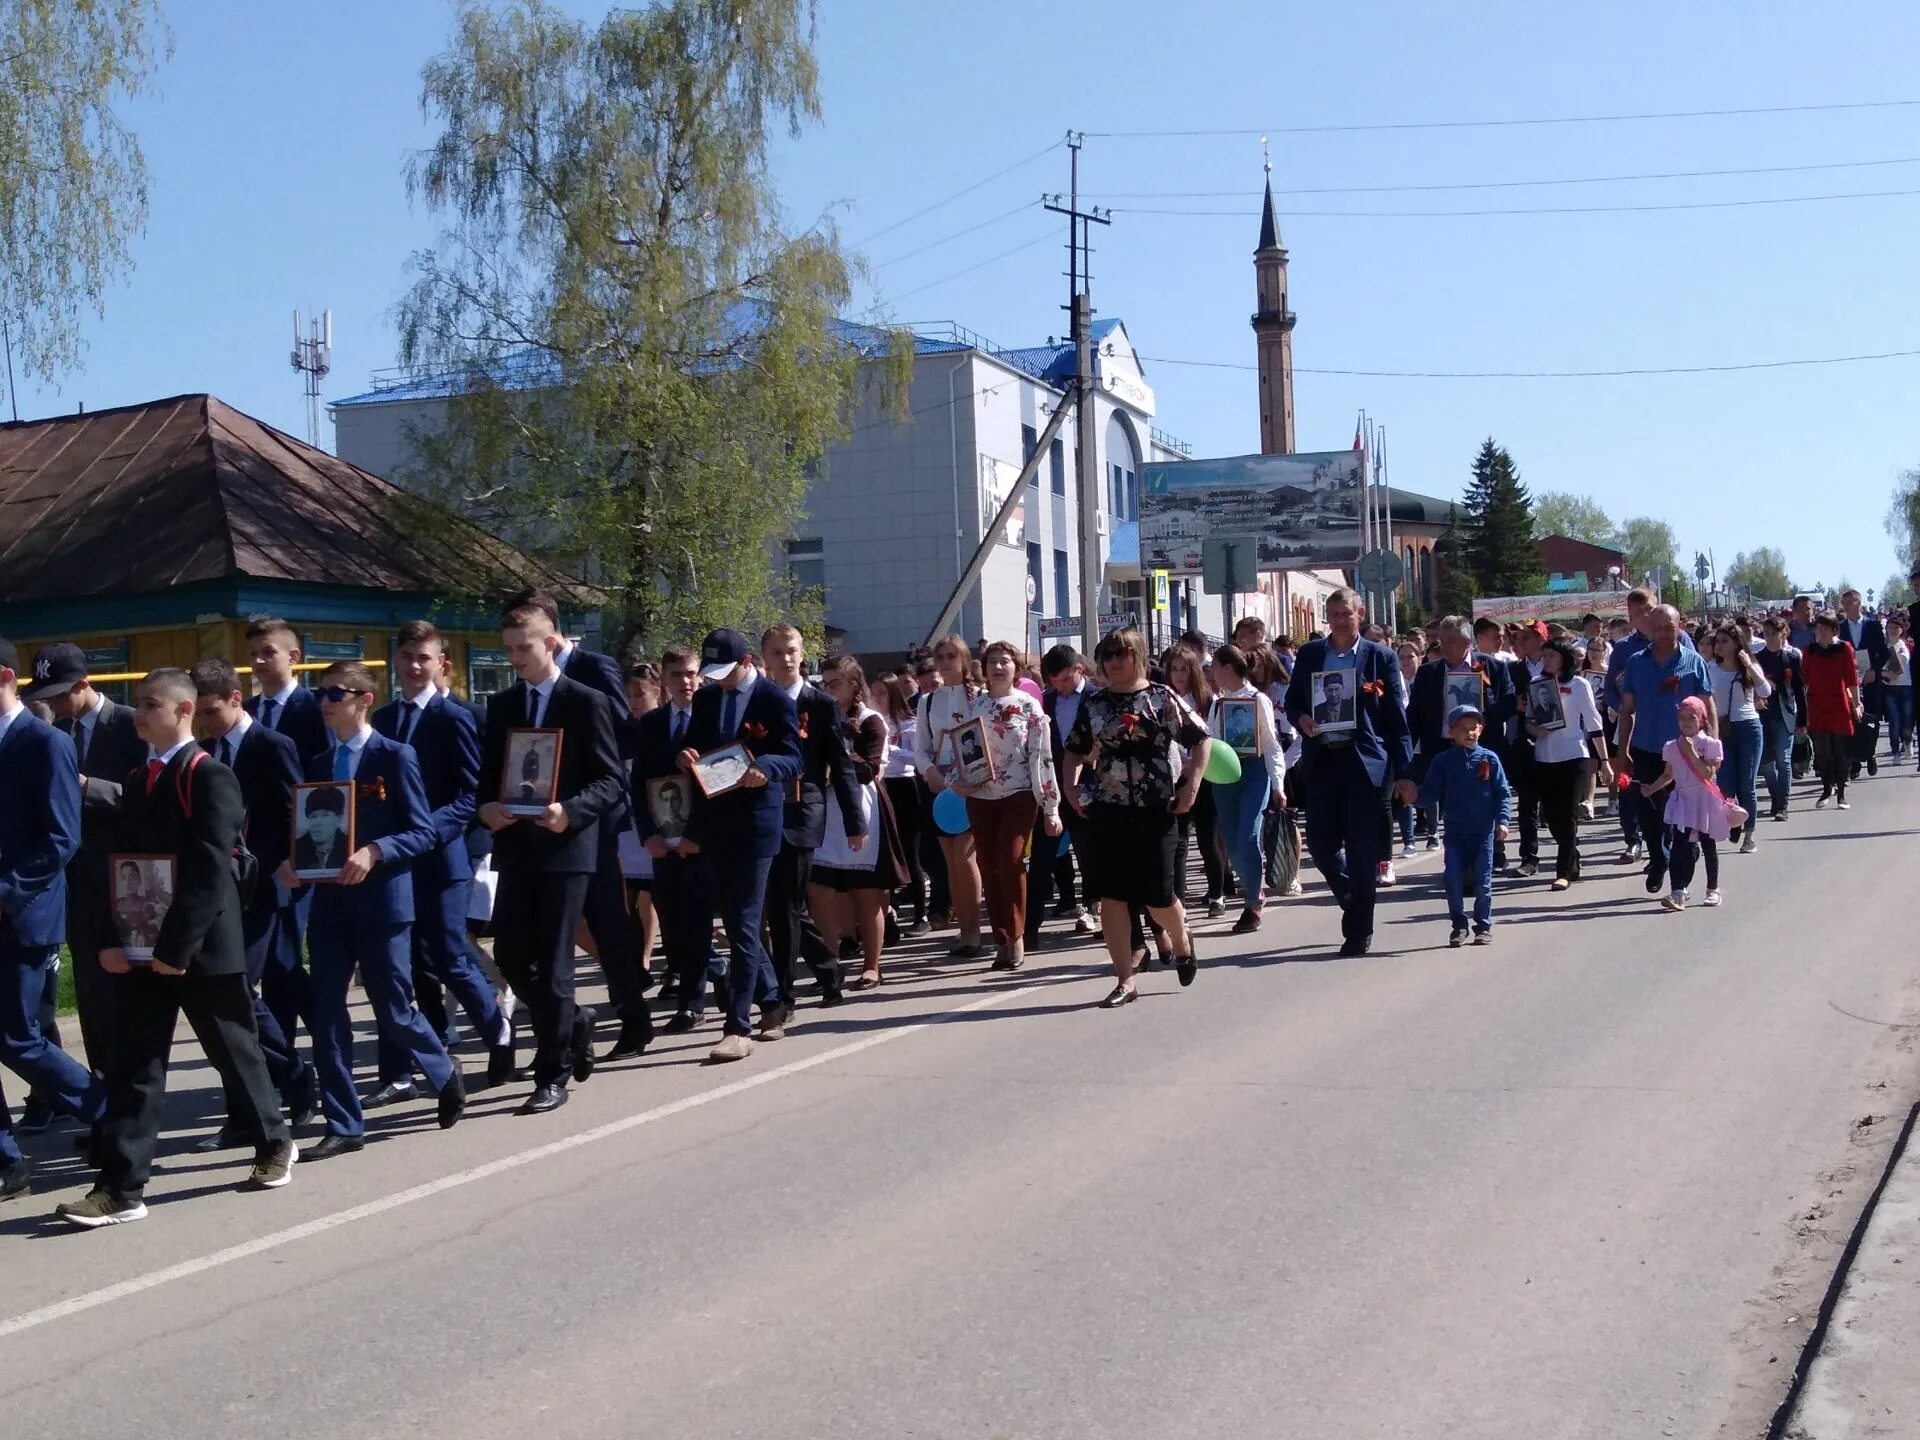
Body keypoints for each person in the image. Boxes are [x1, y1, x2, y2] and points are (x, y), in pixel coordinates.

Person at [58, 668, 296, 1228]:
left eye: (150, 705)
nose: (139, 714)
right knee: (135, 1064)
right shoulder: (140, 779)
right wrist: (114, 939)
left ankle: (273, 1142)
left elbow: (210, 871)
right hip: (145, 948)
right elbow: (124, 869)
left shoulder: (210, 776)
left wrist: (176, 947)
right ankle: (120, 1188)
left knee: (234, 1050)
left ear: (184, 711)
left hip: (202, 947)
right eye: (138, 705)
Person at [285, 662, 466, 1160]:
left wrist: (376, 850)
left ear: (364, 700)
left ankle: (443, 1068)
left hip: (383, 902)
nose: (325, 702)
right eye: (320, 693)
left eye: (335, 694)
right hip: (329, 906)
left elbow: (424, 830)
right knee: (325, 1013)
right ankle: (344, 1122)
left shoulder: (395, 755)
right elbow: (310, 830)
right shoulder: (320, 761)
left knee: (394, 1007)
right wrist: (295, 862)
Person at [479, 597, 628, 1111]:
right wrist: (488, 807)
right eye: (508, 650)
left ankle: (552, 1074)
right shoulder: (502, 707)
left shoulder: (585, 701)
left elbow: (613, 779)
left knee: (557, 961)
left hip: (567, 848)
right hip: (517, 848)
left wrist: (571, 810)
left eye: (523, 648)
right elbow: (485, 779)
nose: (514, 658)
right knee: (511, 956)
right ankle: (572, 1023)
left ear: (550, 643)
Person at [371, 622, 515, 1098]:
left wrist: (426, 830)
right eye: (406, 656)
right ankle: (410, 1067)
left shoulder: (453, 717)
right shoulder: (385, 719)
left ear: (442, 665)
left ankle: (498, 1032)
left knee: (451, 956)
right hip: (397, 863)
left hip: (442, 857)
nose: (414, 666)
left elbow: (473, 790)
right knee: (406, 965)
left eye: (423, 658)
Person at [188, 659, 318, 1148]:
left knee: (237, 991)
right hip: (218, 893)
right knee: (221, 998)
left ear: (236, 699)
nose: (205, 721)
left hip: (265, 887)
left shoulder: (272, 746)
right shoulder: (203, 752)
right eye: (199, 714)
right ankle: (244, 1109)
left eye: (213, 711)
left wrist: (287, 870)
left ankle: (296, 1082)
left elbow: (295, 815)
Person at [0, 638, 101, 1204]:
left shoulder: (44, 744)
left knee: (19, 1038)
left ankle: (107, 1109)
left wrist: (5, 892)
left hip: (24, 915)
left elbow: (63, 837)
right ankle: (6, 1161)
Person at [1061, 627, 1207, 1005]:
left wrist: (1191, 785)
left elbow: (1201, 738)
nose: (1113, 662)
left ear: (1137, 655)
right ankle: (1125, 979)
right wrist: (1071, 788)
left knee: (1159, 896)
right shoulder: (1094, 704)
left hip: (1157, 809)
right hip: (1108, 808)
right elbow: (1075, 751)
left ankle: (1180, 940)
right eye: (1107, 655)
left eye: (1121, 654)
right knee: (1112, 896)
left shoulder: (1161, 698)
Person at [675, 627, 802, 1064]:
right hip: (717, 822)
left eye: (725, 670)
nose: (718, 680)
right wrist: (687, 755)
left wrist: (766, 766)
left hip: (758, 824)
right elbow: (696, 744)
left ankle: (737, 1026)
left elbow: (793, 756)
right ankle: (771, 1002)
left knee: (745, 922)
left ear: (747, 662)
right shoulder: (709, 699)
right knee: (734, 921)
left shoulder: (773, 699)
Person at [27, 642, 144, 1087]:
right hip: (78, 882)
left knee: (129, 998)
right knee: (94, 999)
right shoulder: (58, 733)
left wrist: (86, 786)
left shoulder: (130, 725)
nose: (53, 703)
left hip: (124, 878)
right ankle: (104, 1100)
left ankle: (134, 1102)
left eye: (60, 693)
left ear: (83, 684)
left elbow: (146, 798)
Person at [1285, 589, 1415, 958]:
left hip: (1366, 765)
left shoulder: (1380, 657)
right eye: (1334, 614)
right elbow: (1294, 701)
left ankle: (1359, 930)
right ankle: (1353, 899)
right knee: (1321, 846)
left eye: (1346, 613)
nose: (1340, 620)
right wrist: (1302, 719)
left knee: (1362, 851)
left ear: (1360, 614)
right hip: (1324, 760)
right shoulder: (1311, 654)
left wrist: (1404, 771)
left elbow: (1395, 720)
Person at [759, 624, 864, 1032]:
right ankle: (827, 968)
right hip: (764, 810)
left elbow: (839, 764)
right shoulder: (758, 702)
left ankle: (783, 998)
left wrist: (855, 821)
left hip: (803, 812)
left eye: (791, 650)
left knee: (784, 905)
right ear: (764, 658)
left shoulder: (819, 704)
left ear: (803, 654)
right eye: (776, 652)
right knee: (784, 905)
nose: (785, 658)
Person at [954, 641, 1060, 971]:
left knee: (1010, 858)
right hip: (981, 796)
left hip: (1018, 794)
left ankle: (1017, 936)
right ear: (983, 669)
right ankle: (1001, 936)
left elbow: (1042, 758)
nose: (999, 667)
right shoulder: (975, 706)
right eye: (993, 662)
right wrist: (959, 781)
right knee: (987, 862)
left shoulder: (1029, 706)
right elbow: (963, 749)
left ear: (1016, 668)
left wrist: (1050, 806)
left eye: (1005, 662)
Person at [632, 645, 720, 1034]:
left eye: (691, 674)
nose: (685, 682)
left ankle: (692, 1003)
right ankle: (718, 969)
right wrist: (647, 834)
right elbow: (637, 785)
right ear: (664, 681)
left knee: (697, 919)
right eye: (677, 676)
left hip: (699, 840)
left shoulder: (712, 717)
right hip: (663, 838)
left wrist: (698, 836)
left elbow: (721, 779)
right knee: (671, 919)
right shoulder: (651, 724)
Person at [810, 656, 910, 988]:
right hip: (826, 812)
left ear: (854, 686)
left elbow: (868, 768)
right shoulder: (816, 717)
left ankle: (871, 964)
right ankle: (830, 962)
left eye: (834, 682)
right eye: (823, 683)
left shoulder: (871, 721)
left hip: (862, 808)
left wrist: (833, 756)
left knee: (865, 892)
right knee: (820, 891)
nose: (827, 689)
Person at [1616, 605, 1715, 897]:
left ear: (1679, 626)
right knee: (1649, 814)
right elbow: (1627, 710)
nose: (1662, 634)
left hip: (1685, 752)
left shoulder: (1693, 662)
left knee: (1681, 813)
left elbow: (1707, 706)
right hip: (1646, 748)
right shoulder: (1636, 663)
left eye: (1668, 628)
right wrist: (1622, 751)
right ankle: (1659, 858)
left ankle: (1680, 868)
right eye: (1657, 628)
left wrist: (1712, 747)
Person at [913, 636, 986, 958]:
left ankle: (974, 931)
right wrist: (930, 772)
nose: (944, 662)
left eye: (951, 656)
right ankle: (963, 930)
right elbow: (921, 747)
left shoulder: (981, 697)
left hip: (975, 783)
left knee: (966, 857)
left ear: (964, 659)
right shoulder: (928, 701)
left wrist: (970, 774)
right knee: (951, 863)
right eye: (940, 656)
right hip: (942, 786)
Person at [1415, 705, 1511, 946]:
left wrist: (1503, 820)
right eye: (1463, 729)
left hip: (1483, 832)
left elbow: (1502, 792)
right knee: (1452, 879)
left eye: (1474, 728)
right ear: (1452, 733)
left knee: (1483, 882)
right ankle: (1458, 924)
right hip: (1455, 833)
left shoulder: (1489, 758)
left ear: (1481, 729)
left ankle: (1483, 926)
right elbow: (1431, 791)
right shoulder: (1443, 761)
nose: (1470, 733)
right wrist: (1412, 796)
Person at [1206, 644, 1285, 933]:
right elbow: (1211, 740)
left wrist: (1278, 782)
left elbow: (1271, 743)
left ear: (1227, 669)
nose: (1212, 673)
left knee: (1248, 834)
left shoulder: (1257, 699)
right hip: (1224, 777)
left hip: (1254, 773)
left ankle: (1253, 902)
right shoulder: (1217, 704)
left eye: (1215, 667)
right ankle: (1252, 887)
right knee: (1230, 840)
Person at [1525, 640, 1610, 890]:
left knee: (1568, 814)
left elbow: (1594, 724)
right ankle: (1572, 856)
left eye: (1552, 655)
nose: (1547, 660)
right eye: (1545, 656)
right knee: (1552, 818)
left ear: (1564, 658)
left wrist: (1605, 761)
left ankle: (1562, 871)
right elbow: (1529, 719)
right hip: (1545, 757)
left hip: (1574, 757)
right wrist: (1533, 729)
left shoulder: (1579, 685)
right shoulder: (1535, 684)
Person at [1641, 697, 1730, 911]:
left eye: (1691, 718)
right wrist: (1651, 788)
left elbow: (1708, 773)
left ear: (1701, 720)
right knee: (1679, 844)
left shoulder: (1710, 744)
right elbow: (1668, 775)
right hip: (1683, 799)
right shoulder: (1671, 746)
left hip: (1705, 799)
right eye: (1682, 718)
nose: (1686, 722)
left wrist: (1691, 752)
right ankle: (1677, 891)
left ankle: (1712, 888)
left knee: (1708, 845)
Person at [1163, 643, 1226, 917]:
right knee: (1178, 842)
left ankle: (1217, 894)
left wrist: (1194, 765)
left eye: (1183, 669)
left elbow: (1212, 739)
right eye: (1174, 669)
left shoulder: (1208, 701)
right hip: (1174, 775)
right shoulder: (1163, 699)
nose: (1178, 675)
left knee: (1207, 839)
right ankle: (1179, 901)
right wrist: (1181, 763)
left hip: (1204, 776)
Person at [1706, 624, 1771, 854]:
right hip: (1722, 730)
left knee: (1747, 784)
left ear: (1736, 643)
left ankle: (1749, 834)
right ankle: (1734, 820)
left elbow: (1765, 692)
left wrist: (1749, 668)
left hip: (1748, 727)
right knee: (1726, 784)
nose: (1719, 646)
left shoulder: (1748, 666)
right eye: (1718, 642)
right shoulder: (1711, 668)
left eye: (1725, 641)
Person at [875, 675, 930, 937]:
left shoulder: (909, 723)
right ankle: (890, 913)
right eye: (873, 693)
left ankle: (921, 914)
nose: (876, 698)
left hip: (906, 787)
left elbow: (917, 758)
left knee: (910, 854)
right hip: (882, 787)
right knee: (886, 855)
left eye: (881, 693)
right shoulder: (872, 721)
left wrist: (892, 750)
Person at [1801, 613, 1860, 810]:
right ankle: (1826, 787)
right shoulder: (1810, 650)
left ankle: (1842, 793)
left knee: (1839, 750)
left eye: (1824, 629)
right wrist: (1802, 709)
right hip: (1817, 704)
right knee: (1822, 751)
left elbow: (1852, 679)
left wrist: (1857, 704)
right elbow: (1805, 681)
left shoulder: (1844, 649)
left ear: (1834, 630)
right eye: (1818, 629)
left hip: (1839, 703)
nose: (1820, 633)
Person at [1755, 617, 1808, 820]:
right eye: (1766, 633)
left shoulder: (1791, 658)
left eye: (1773, 634)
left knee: (1783, 759)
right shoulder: (1758, 658)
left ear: (1783, 634)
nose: (1769, 638)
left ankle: (1782, 804)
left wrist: (1803, 719)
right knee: (1766, 763)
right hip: (1764, 714)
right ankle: (1775, 795)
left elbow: (1798, 689)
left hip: (1785, 712)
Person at [1836, 589, 1889, 781]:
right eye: (1844, 602)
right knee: (1853, 718)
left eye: (1849, 601)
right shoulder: (1840, 628)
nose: (1846, 605)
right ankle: (1855, 760)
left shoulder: (1873, 625)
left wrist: (1874, 669)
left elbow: (1884, 652)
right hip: (1849, 680)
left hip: (1870, 678)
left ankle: (1870, 752)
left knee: (1872, 717)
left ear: (1858, 602)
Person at [1882, 613, 1912, 760]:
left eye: (1896, 627)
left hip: (1906, 686)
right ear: (1886, 629)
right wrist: (1885, 674)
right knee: (1894, 720)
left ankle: (1907, 742)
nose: (1893, 630)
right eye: (1890, 627)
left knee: (1907, 719)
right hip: (1890, 688)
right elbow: (1878, 667)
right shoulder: (1883, 647)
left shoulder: (1907, 645)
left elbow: (1908, 664)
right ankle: (1895, 752)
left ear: (1901, 630)